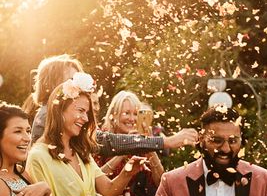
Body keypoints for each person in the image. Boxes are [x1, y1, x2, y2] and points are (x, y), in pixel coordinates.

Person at [28, 53, 198, 155]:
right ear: (52, 83)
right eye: (72, 79)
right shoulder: (48, 115)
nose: (78, 86)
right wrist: (165, 142)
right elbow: (103, 141)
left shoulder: (58, 113)